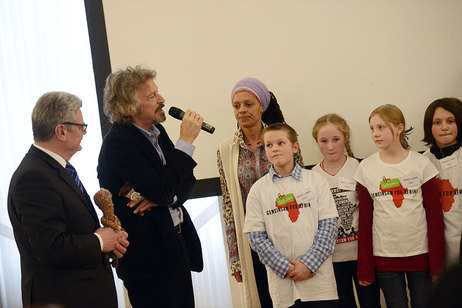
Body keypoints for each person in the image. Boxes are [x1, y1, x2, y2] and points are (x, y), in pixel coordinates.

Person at [7, 91, 129, 308]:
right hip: (65, 298)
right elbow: (51, 247)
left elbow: (75, 231)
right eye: (81, 126)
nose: (84, 132)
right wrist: (100, 241)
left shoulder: (54, 168)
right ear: (61, 131)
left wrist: (109, 241)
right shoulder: (34, 177)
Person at [97, 65, 203, 308]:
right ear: (129, 106)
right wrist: (185, 141)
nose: (162, 99)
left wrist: (166, 197)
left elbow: (186, 180)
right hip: (148, 262)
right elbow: (165, 188)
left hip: (174, 248)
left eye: (157, 92)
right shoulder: (119, 144)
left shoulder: (157, 131)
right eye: (152, 96)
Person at [217, 77, 303, 307]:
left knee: (296, 300)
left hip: (288, 238)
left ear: (262, 106)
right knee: (264, 300)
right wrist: (235, 258)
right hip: (252, 243)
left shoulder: (283, 139)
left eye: (248, 104)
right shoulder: (226, 150)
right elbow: (228, 204)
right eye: (237, 106)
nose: (242, 110)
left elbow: (303, 190)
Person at [353, 104, 445, 308]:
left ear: (399, 128)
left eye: (381, 127)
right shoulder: (366, 168)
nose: (375, 134)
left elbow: (435, 217)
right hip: (385, 257)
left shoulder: (421, 164)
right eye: (372, 128)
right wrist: (365, 267)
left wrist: (438, 264)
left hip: (420, 255)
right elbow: (366, 221)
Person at [243, 123, 339, 308]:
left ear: (295, 147)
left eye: (281, 143)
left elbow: (328, 227)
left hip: (318, 283)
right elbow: (255, 236)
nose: (275, 149)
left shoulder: (316, 181)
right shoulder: (258, 190)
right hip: (283, 285)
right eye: (269, 145)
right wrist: (284, 267)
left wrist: (308, 265)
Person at [311, 114, 381, 308]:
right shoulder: (312, 177)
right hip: (331, 260)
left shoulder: (360, 167)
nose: (330, 146)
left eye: (336, 140)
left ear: (346, 138)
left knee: (370, 303)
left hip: (363, 256)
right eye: (324, 141)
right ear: (316, 142)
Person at [422, 97, 462, 267]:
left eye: (450, 121)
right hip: (436, 250)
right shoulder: (422, 161)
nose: (444, 127)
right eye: (437, 122)